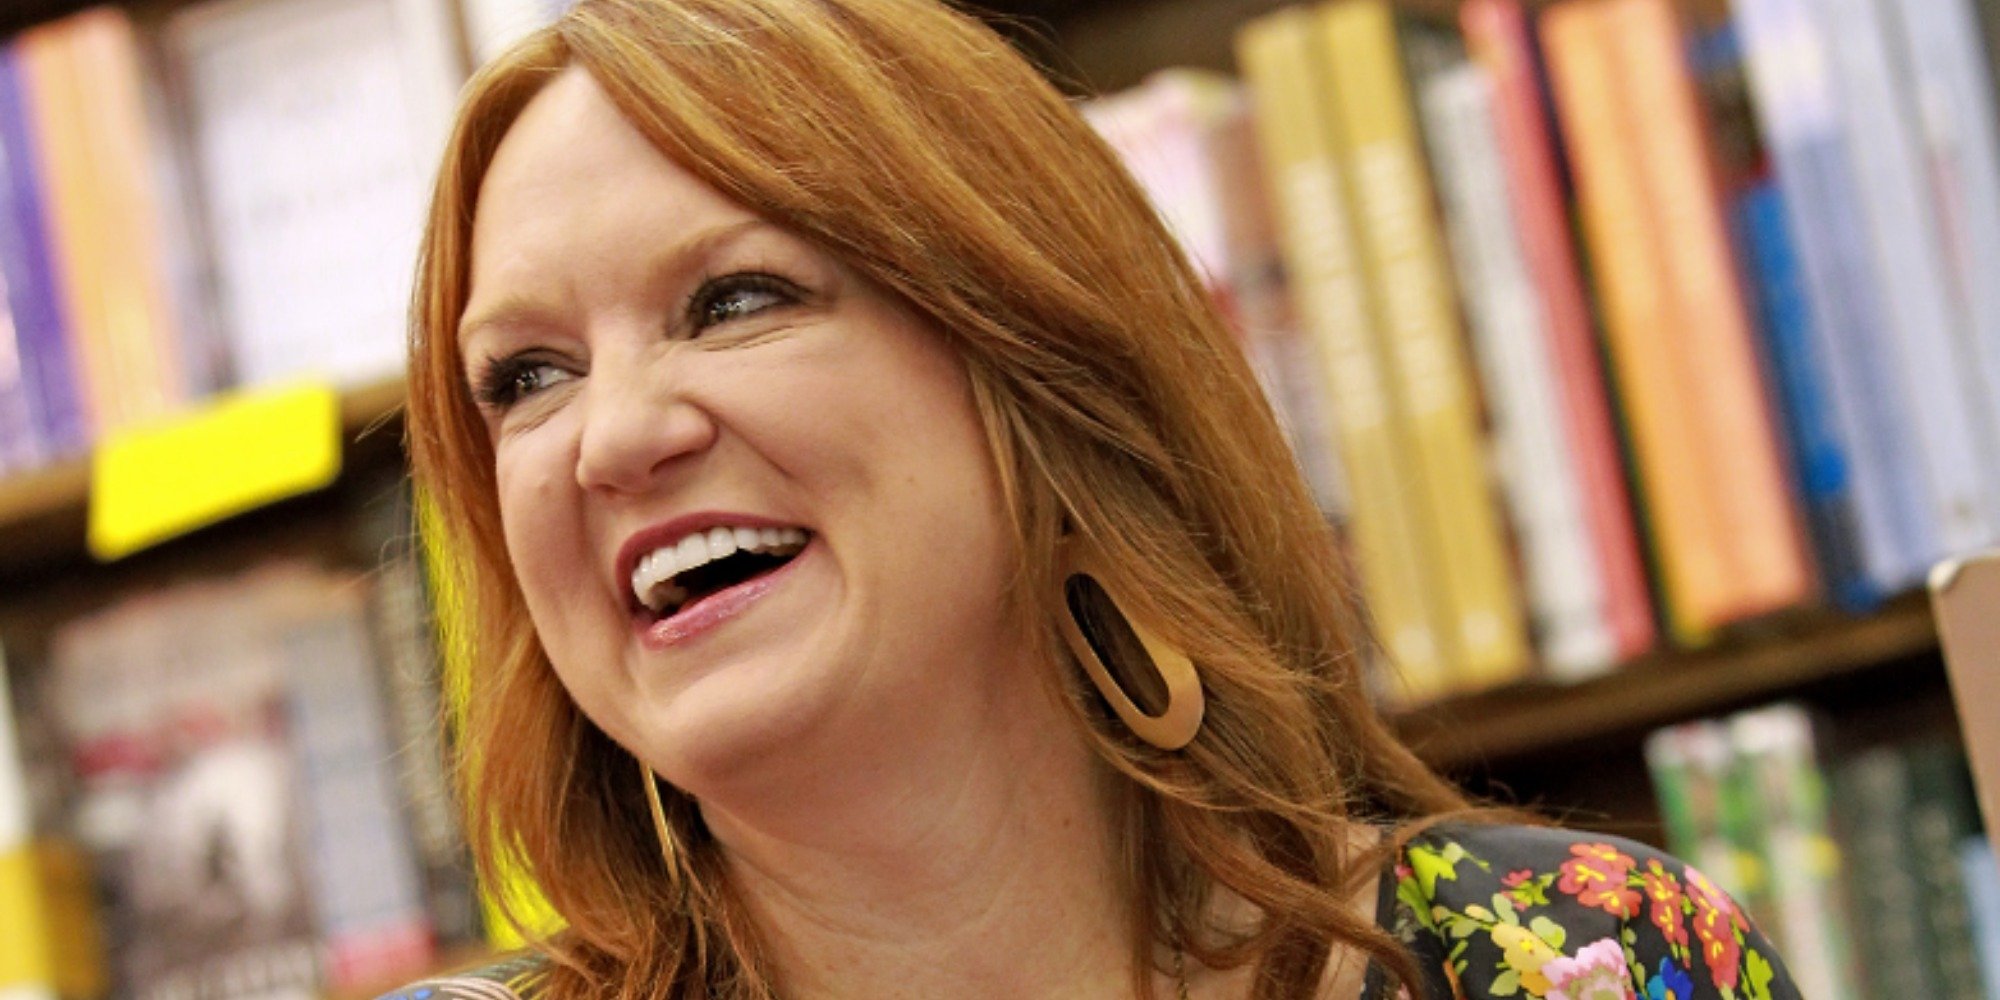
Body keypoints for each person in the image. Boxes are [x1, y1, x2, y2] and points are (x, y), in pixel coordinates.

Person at [392, 1, 1802, 997]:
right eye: (523, 378)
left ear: (1035, 361)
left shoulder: (1586, 962)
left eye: (734, 298)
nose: (611, 438)